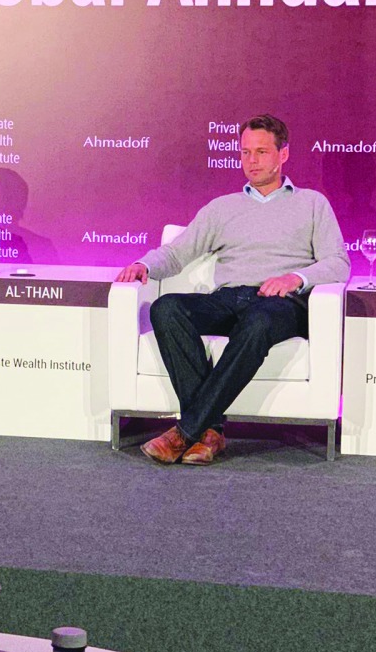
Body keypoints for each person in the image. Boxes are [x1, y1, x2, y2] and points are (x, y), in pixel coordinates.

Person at [115, 114, 350, 466]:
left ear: (283, 154)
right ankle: (208, 432)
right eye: (244, 153)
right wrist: (145, 265)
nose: (251, 161)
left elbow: (338, 262)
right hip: (229, 298)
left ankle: (185, 431)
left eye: (261, 152)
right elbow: (178, 252)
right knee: (166, 308)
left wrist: (295, 278)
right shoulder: (222, 208)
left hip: (280, 304)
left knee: (257, 321)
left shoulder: (312, 204)